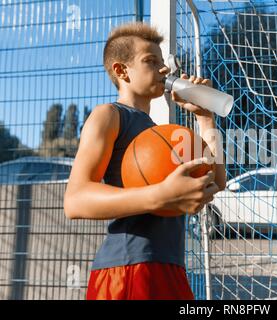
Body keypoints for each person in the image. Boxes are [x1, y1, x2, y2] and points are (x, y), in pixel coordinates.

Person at [63, 22, 227, 300]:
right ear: (121, 70)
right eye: (151, 61)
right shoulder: (109, 115)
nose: (164, 69)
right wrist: (160, 195)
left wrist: (205, 117)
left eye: (163, 62)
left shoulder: (161, 133)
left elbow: (216, 181)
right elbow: (75, 200)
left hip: (170, 266)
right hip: (127, 268)